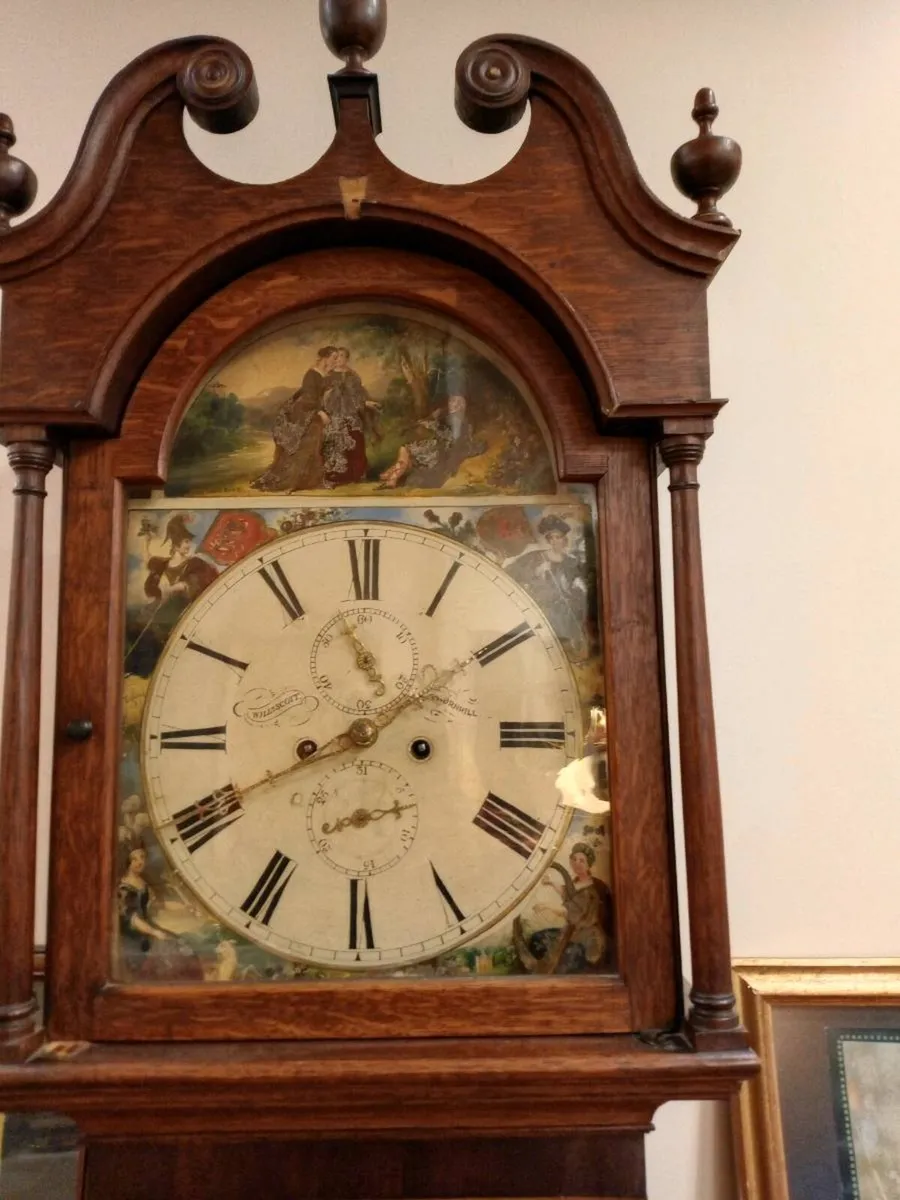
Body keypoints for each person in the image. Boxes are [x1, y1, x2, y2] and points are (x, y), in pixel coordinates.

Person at [252, 345, 337, 492]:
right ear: (325, 358)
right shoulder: (311, 374)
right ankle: (291, 483)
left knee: (315, 449)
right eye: (334, 358)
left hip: (315, 414)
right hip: (306, 415)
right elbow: (309, 399)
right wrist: (321, 412)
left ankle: (313, 481)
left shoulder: (325, 375)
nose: (335, 362)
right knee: (304, 449)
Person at [506, 515, 588, 655]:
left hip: (566, 606)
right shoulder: (537, 557)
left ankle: (572, 647)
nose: (556, 541)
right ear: (549, 540)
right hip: (544, 606)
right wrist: (538, 573)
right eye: (552, 538)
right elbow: (514, 574)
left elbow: (576, 584)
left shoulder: (571, 562)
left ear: (565, 539)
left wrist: (579, 585)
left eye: (559, 537)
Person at [320, 347, 380, 486]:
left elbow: (359, 394)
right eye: (337, 357)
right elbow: (322, 395)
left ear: (347, 358)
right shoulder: (328, 376)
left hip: (351, 412)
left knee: (355, 438)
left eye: (342, 356)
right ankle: (336, 473)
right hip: (334, 413)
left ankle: (356, 473)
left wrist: (366, 402)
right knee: (334, 439)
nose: (338, 359)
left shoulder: (353, 376)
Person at [144, 514, 218, 608]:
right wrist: (146, 541)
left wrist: (173, 588)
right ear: (176, 543)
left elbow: (195, 582)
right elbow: (148, 561)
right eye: (186, 542)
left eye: (189, 542)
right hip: (164, 609)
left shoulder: (195, 563)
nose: (189, 545)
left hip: (185, 610)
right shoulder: (162, 564)